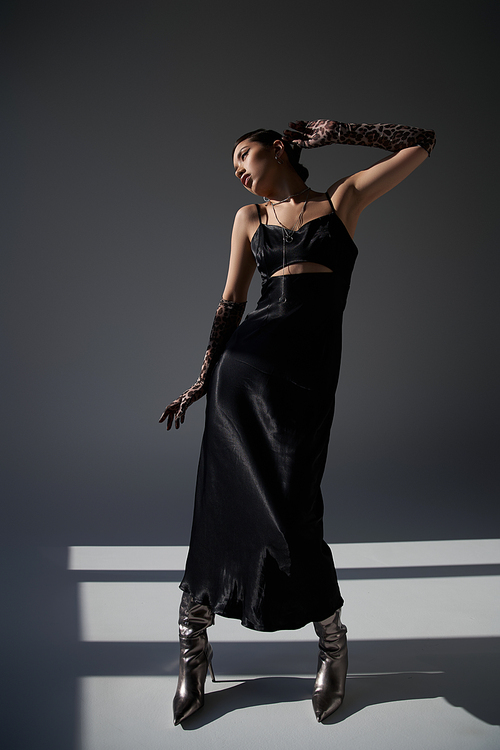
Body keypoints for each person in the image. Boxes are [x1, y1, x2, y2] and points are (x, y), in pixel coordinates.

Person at [159, 118, 436, 725]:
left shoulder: (342, 200)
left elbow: (421, 143)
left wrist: (338, 130)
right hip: (241, 377)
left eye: (245, 153)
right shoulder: (248, 220)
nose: (238, 166)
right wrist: (205, 377)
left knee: (293, 506)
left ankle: (333, 644)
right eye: (233, 162)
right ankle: (194, 643)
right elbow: (231, 301)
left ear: (279, 148)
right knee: (220, 505)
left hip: (304, 376)